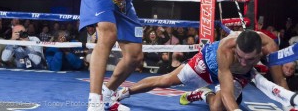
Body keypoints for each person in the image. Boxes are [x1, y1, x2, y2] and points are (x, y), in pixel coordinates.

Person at [115, 30, 289, 110]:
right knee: (166, 80)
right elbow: (227, 91)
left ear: (260, 52)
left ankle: (202, 94)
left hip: (237, 75)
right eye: (240, 56)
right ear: (236, 47)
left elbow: (280, 81)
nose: (244, 62)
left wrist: (290, 105)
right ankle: (125, 92)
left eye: (250, 59)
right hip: (210, 61)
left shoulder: (270, 47)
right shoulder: (227, 47)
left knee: (217, 107)